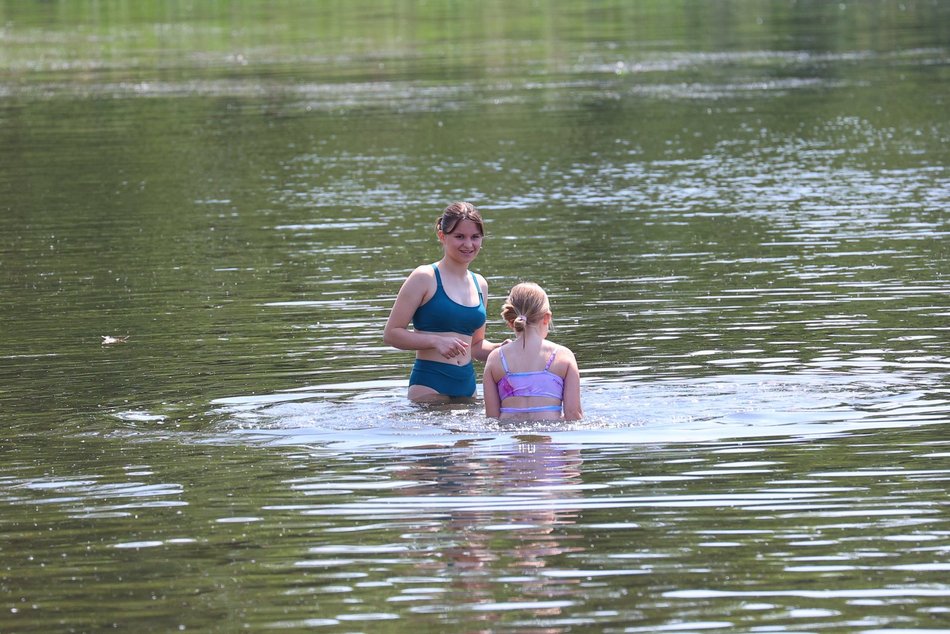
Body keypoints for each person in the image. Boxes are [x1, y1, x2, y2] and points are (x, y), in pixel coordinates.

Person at [384, 202, 505, 403]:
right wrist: (435, 341)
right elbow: (391, 334)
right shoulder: (425, 277)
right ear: (442, 236)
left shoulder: (480, 284)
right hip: (429, 384)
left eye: (475, 237)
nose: (468, 244)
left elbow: (475, 346)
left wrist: (500, 349)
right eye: (459, 237)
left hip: (467, 387)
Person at [483, 282, 582, 420]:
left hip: (509, 433)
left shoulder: (496, 358)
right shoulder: (563, 356)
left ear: (511, 321)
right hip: (549, 430)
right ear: (546, 318)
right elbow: (573, 415)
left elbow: (492, 418)